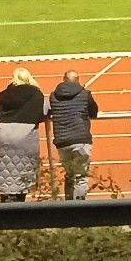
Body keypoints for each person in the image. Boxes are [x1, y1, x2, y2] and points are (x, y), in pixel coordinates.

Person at [0, 67, 44, 201]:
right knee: (23, 172)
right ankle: (19, 207)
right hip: (25, 136)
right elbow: (41, 114)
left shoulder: (5, 95)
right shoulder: (36, 94)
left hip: (2, 135)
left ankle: (5, 206)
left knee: (4, 172)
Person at [47, 69, 101, 199]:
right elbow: (94, 111)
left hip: (62, 141)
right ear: (78, 80)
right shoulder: (85, 94)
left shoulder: (53, 96)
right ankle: (79, 209)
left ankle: (68, 206)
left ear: (63, 80)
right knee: (81, 176)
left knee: (69, 174)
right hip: (80, 138)